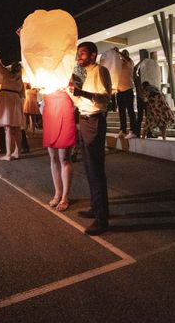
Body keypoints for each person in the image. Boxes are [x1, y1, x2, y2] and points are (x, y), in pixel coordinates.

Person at [70, 42, 112, 235]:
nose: (79, 56)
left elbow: (105, 98)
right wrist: (73, 94)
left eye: (83, 53)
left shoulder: (101, 71)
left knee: (95, 169)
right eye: (79, 53)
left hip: (95, 121)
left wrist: (82, 93)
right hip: (85, 120)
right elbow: (80, 100)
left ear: (93, 55)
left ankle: (102, 219)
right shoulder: (84, 74)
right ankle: (96, 208)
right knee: (89, 168)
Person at [43, 88, 76, 212]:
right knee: (53, 157)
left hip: (64, 104)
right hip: (50, 106)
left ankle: (65, 196)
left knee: (64, 158)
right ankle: (57, 193)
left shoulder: (67, 70)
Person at [0, 57, 25, 161]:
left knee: (8, 128)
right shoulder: (20, 80)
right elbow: (22, 95)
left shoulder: (7, 74)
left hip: (7, 99)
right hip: (16, 100)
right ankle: (17, 152)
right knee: (17, 128)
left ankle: (8, 154)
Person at [116, 49, 137, 139]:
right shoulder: (119, 64)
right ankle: (123, 130)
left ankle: (133, 131)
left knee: (130, 111)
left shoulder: (130, 62)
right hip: (119, 91)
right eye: (122, 54)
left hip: (128, 89)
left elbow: (127, 59)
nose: (123, 56)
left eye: (125, 54)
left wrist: (119, 52)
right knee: (121, 112)